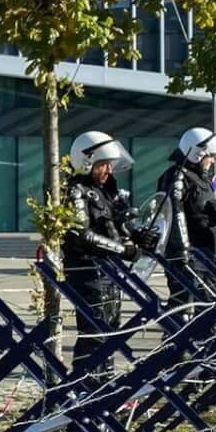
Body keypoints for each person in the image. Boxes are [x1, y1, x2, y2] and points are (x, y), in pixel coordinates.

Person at [61, 132, 136, 376]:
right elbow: (82, 235)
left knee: (111, 332)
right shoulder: (76, 191)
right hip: (87, 273)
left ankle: (105, 385)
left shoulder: (105, 191)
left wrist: (136, 236)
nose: (108, 171)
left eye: (110, 165)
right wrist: (122, 249)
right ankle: (85, 387)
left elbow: (115, 228)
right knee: (94, 333)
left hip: (108, 273)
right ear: (87, 162)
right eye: (103, 164)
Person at [154, 127, 216, 304]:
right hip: (188, 255)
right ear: (198, 154)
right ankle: (176, 330)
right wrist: (183, 251)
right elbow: (173, 213)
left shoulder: (204, 180)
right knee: (186, 304)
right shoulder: (177, 176)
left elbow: (202, 212)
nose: (212, 161)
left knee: (212, 304)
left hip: (207, 253)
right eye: (210, 156)